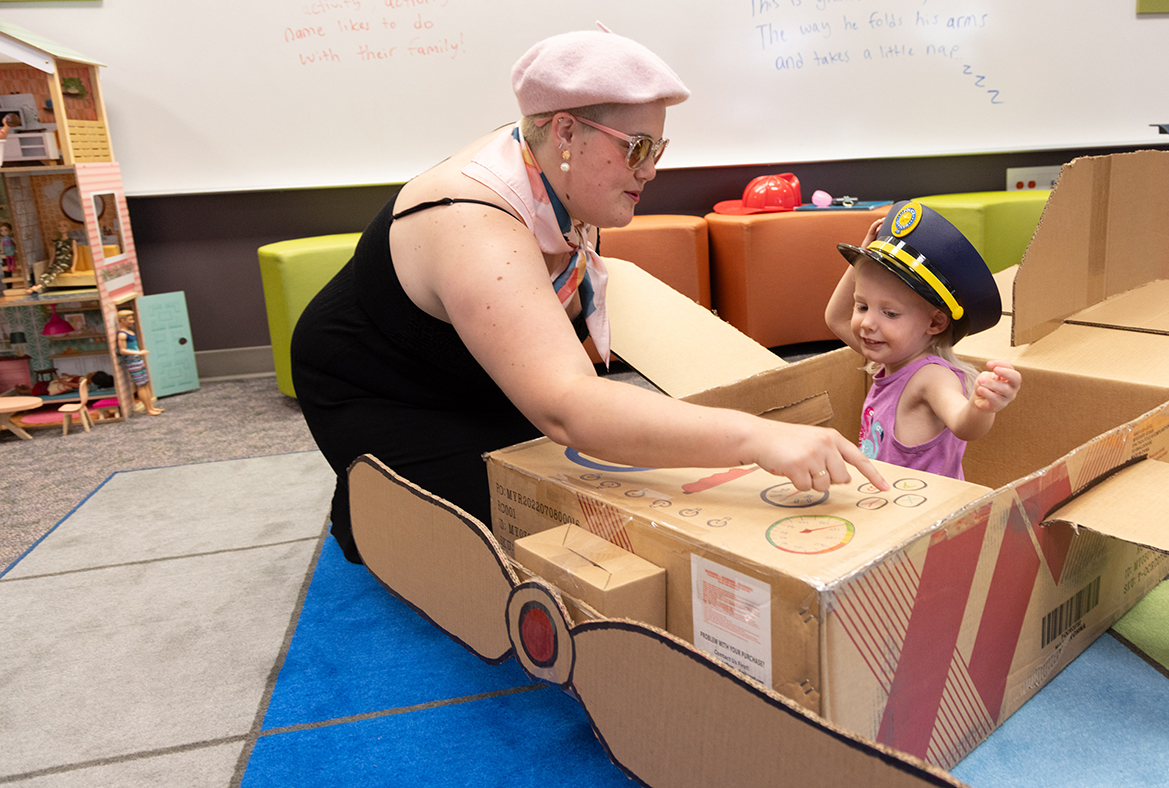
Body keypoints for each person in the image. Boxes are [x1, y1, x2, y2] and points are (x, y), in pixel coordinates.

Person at [291, 26, 887, 565]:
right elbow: (568, 406)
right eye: (636, 148)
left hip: (468, 363)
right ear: (567, 129)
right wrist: (756, 436)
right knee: (520, 529)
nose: (650, 170)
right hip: (385, 383)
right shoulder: (472, 221)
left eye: (658, 149)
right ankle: (368, 501)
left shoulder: (557, 170)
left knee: (593, 479)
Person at [824, 200, 1020, 480]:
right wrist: (862, 258)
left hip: (927, 514)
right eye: (862, 306)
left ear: (935, 322)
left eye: (889, 313)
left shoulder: (931, 377)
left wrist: (981, 405)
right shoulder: (891, 355)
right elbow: (837, 319)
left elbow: (964, 425)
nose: (867, 323)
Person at [116, 309, 163, 415]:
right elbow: (122, 350)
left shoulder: (130, 332)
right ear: (122, 320)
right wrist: (139, 352)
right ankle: (148, 409)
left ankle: (151, 407)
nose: (132, 321)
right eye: (130, 319)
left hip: (138, 360)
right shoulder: (122, 335)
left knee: (145, 383)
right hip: (132, 361)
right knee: (141, 385)